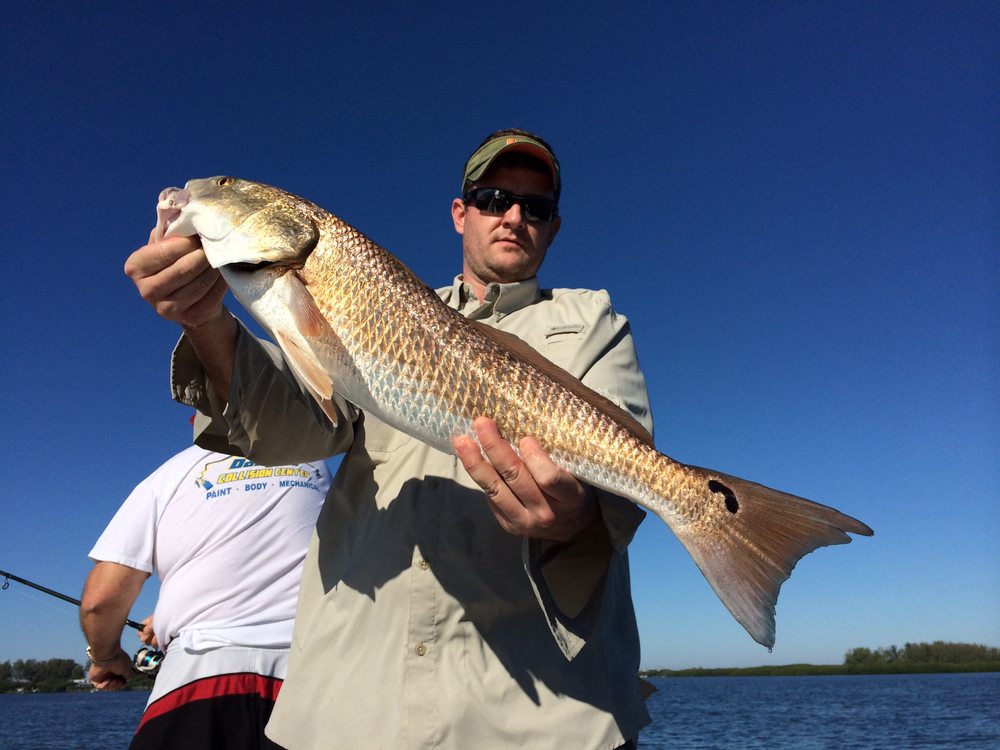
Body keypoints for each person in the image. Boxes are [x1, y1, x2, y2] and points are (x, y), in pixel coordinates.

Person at [125, 129, 653, 749]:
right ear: (460, 214)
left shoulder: (595, 322)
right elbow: (295, 425)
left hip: (543, 721)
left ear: (553, 228)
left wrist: (575, 517)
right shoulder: (386, 300)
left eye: (535, 207)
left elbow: (618, 480)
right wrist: (207, 322)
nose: (513, 216)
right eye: (492, 198)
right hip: (349, 711)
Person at [80, 445, 330, 749]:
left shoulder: (170, 474)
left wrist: (106, 657)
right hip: (311, 675)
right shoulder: (319, 464)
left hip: (198, 675)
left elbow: (101, 601)